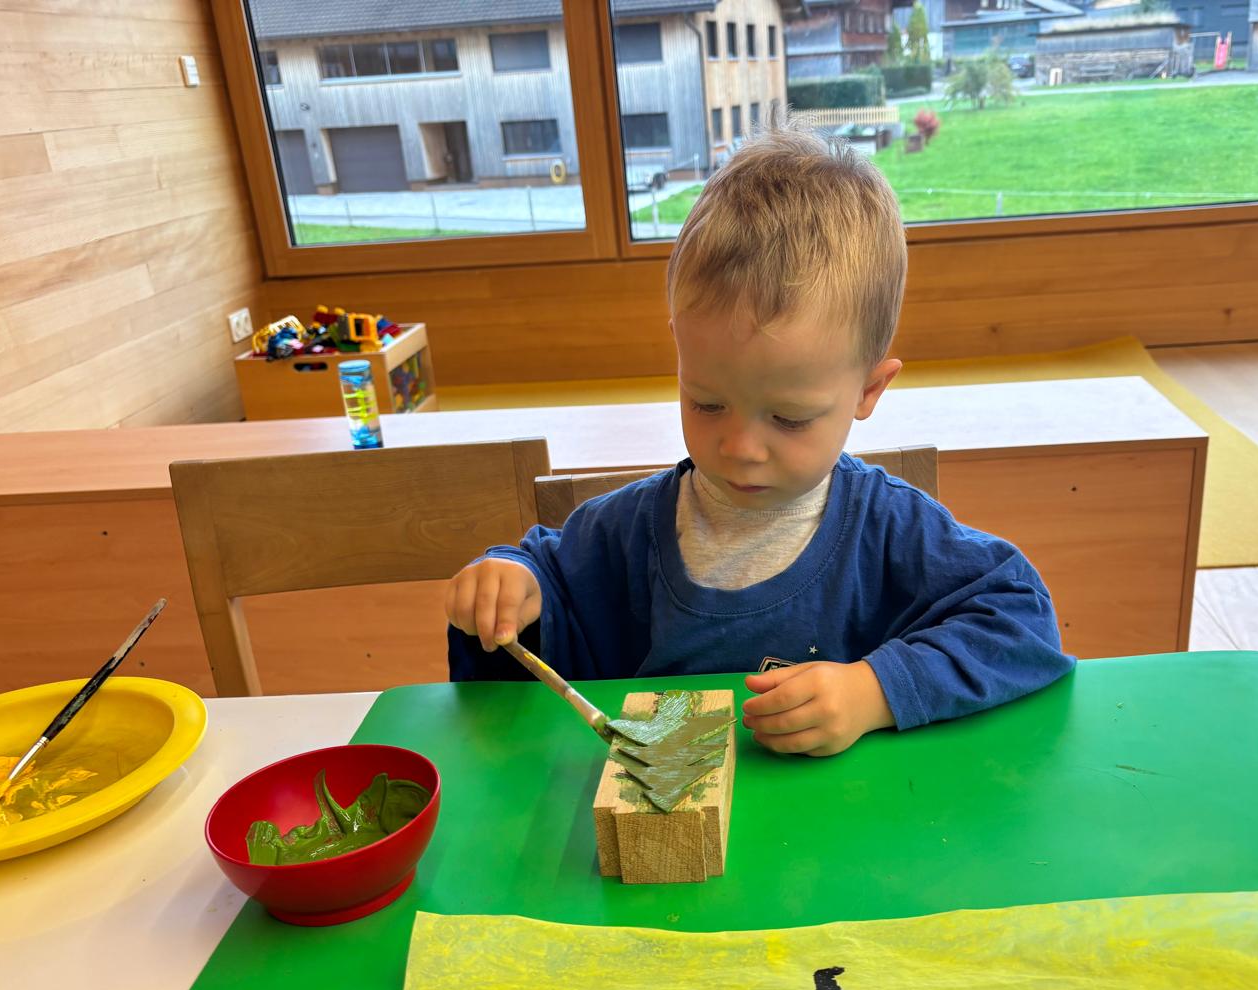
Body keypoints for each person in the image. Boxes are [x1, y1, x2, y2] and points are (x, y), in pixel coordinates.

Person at [446, 120, 1074, 757]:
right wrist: (511, 586)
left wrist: (873, 692)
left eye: (790, 418)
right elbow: (546, 583)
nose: (740, 448)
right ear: (680, 350)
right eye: (707, 402)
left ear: (868, 391)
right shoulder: (625, 533)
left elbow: (1022, 617)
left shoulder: (891, 533)